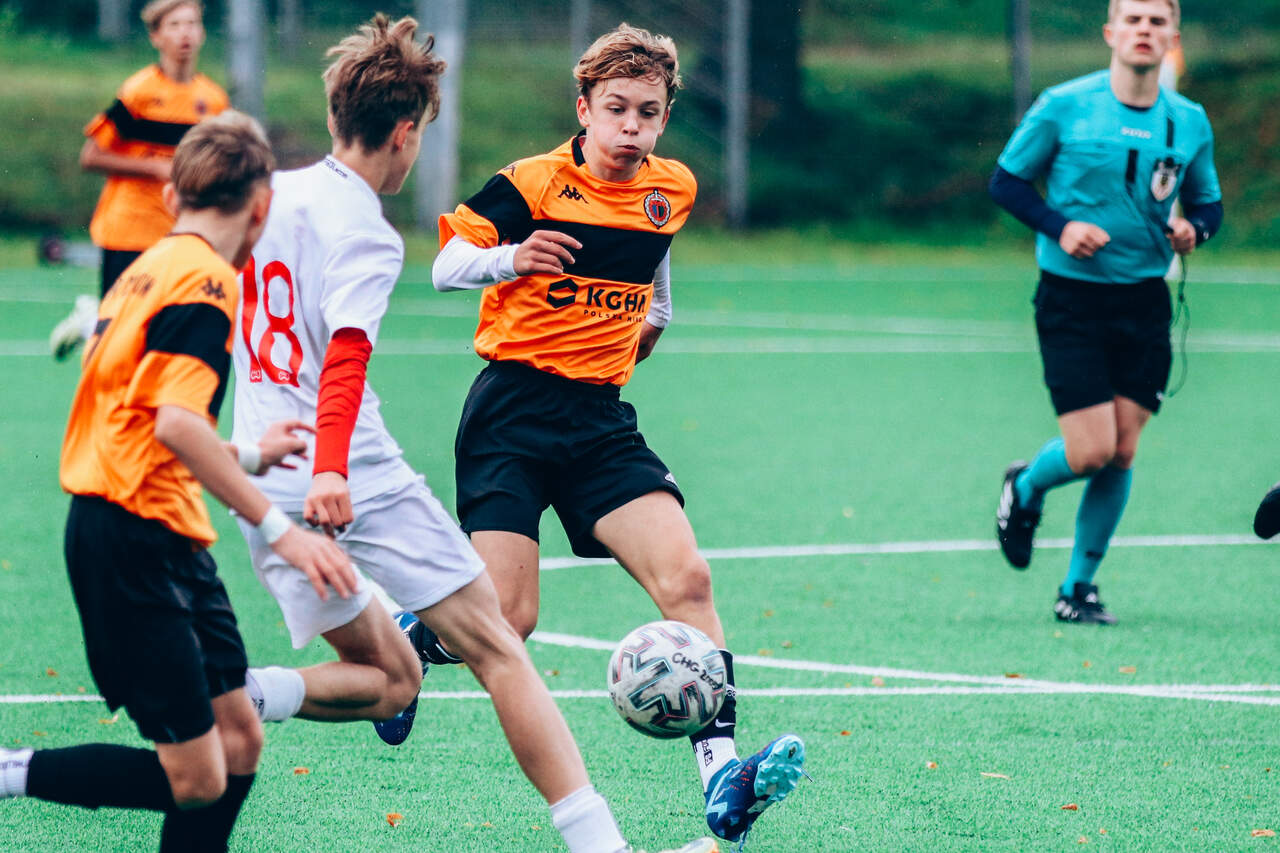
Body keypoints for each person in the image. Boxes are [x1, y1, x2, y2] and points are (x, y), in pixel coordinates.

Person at [228, 17, 715, 853]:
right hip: (350, 469)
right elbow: (346, 361)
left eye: (648, 112)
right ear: (406, 133)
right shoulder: (370, 232)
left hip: (263, 475)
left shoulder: (268, 196)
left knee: (391, 679)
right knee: (500, 641)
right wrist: (333, 468)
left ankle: (235, 691)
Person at [431, 23, 806, 847]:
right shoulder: (531, 184)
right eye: (616, 109)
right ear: (584, 110)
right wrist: (510, 259)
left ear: (665, 117)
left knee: (689, 578)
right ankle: (412, 640)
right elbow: (444, 264)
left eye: (648, 112)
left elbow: (654, 276)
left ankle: (723, 776)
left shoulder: (671, 188)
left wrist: (652, 325)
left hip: (600, 420)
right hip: (511, 414)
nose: (631, 126)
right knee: (509, 616)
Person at [0, 111, 355, 852]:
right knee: (198, 778)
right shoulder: (207, 283)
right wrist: (283, 532)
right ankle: (11, 770)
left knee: (241, 740)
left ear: (170, 196)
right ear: (260, 207)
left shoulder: (148, 268)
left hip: (163, 533)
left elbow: (144, 415)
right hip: (129, 538)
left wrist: (248, 456)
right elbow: (175, 425)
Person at [991, 0, 1222, 623]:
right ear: (1110, 33)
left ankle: (1078, 590)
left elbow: (1208, 205)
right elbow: (1006, 181)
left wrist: (1194, 231)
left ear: (1173, 36)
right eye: (1134, 20)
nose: (1145, 30)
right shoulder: (1065, 105)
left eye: (1157, 21)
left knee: (1123, 451)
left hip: (1144, 302)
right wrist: (1061, 227)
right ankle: (1026, 486)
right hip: (1072, 299)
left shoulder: (1188, 121)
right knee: (1092, 450)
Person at [50, 0, 228, 361]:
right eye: (174, 25)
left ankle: (91, 323)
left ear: (202, 33)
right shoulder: (138, 93)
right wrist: (156, 169)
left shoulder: (214, 101)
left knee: (166, 334)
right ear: (155, 37)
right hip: (129, 230)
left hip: (180, 232)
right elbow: (91, 156)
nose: (185, 33)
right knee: (119, 343)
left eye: (192, 24)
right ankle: (91, 325)